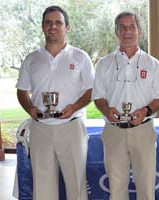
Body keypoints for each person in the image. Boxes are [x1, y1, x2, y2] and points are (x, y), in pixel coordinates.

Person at [16, 5, 94, 200]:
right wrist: (31, 108)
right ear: (43, 27)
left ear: (67, 27)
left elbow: (92, 91)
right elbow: (22, 91)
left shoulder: (80, 57)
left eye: (58, 22)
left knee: (76, 184)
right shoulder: (32, 59)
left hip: (72, 127)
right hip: (40, 128)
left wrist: (74, 107)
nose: (53, 27)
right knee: (42, 186)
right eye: (48, 23)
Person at [91, 11, 159, 200]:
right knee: (116, 189)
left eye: (132, 27)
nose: (127, 31)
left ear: (139, 31)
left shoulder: (153, 64)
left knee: (146, 188)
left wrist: (146, 110)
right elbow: (98, 97)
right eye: (122, 27)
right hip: (113, 131)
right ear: (116, 32)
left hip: (143, 130)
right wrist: (106, 110)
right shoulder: (104, 64)